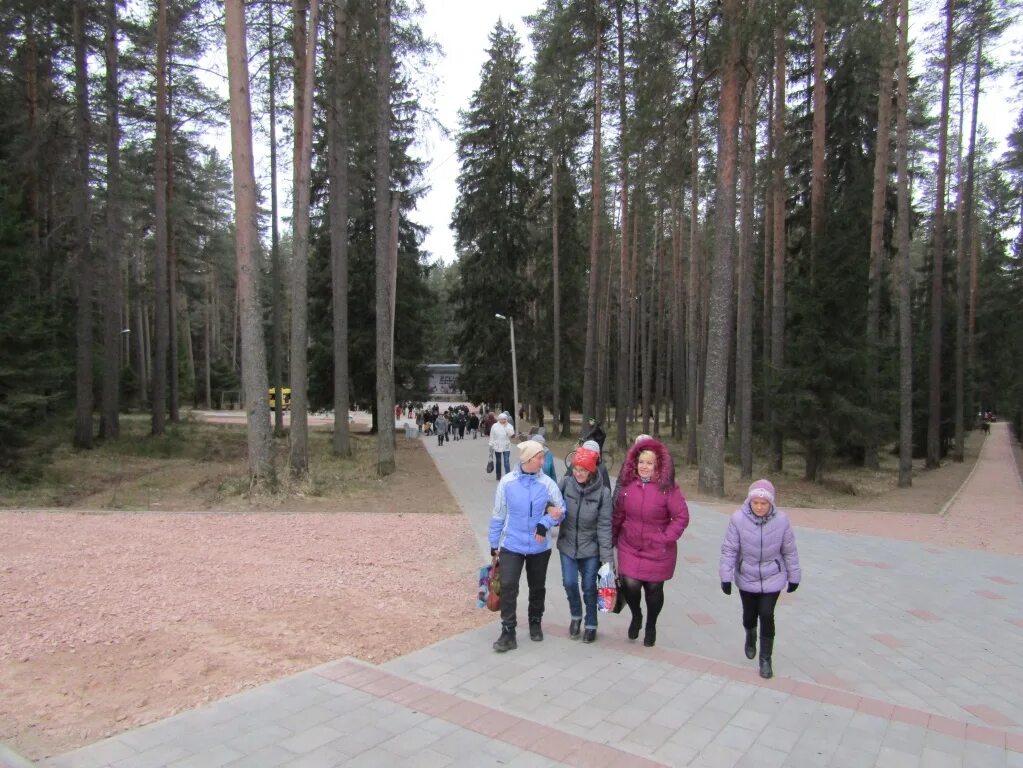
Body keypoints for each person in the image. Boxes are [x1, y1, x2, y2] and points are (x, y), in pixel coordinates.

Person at [719, 479, 801, 679]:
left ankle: (765, 659)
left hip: (773, 575)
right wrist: (726, 576)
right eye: (755, 502)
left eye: (763, 503)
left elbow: (789, 551)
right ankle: (750, 634)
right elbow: (730, 549)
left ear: (771, 504)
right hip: (747, 574)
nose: (759, 507)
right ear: (750, 502)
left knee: (766, 614)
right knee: (749, 615)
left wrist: (794, 576)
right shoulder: (738, 519)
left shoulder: (782, 520)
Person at [489, 440, 566, 652]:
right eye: (540, 458)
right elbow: (498, 514)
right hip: (512, 544)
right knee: (508, 585)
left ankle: (535, 621)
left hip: (539, 548)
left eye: (543, 457)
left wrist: (545, 523)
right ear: (528, 459)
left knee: (537, 586)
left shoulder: (548, 484)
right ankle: (508, 631)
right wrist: (494, 543)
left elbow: (561, 510)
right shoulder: (507, 482)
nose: (543, 462)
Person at [612, 437, 689, 647]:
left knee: (654, 589)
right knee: (630, 585)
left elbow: (681, 517)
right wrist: (611, 537)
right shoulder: (628, 486)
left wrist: (665, 537)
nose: (644, 467)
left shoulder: (669, 489)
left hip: (657, 547)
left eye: (649, 463)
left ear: (658, 465)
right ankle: (636, 616)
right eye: (641, 462)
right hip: (630, 544)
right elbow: (618, 514)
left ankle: (651, 624)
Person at [557, 446, 612, 643]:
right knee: (569, 583)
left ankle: (591, 623)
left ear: (592, 471)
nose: (578, 474)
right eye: (575, 469)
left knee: (589, 586)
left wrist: (607, 560)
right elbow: (552, 505)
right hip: (568, 544)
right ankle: (575, 615)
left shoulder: (603, 494)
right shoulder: (565, 483)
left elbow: (605, 526)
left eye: (583, 470)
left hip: (591, 547)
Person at [488, 412, 515, 480]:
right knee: (498, 461)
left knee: (506, 461)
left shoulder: (509, 426)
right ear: (499, 419)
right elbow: (492, 436)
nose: (503, 420)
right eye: (501, 419)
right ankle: (498, 475)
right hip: (497, 446)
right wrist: (491, 445)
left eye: (504, 419)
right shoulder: (494, 426)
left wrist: (506, 427)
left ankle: (508, 475)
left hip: (506, 446)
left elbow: (511, 435)